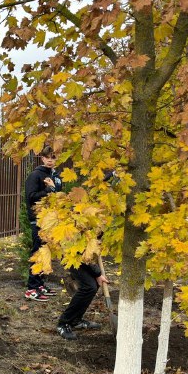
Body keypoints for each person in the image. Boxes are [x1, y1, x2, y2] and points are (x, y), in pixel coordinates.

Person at [24, 145, 62, 301]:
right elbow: (31, 196)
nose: (50, 160)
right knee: (37, 252)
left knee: (45, 252)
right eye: (47, 157)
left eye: (53, 157)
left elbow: (58, 195)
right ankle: (31, 289)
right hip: (38, 219)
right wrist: (48, 190)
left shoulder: (56, 176)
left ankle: (39, 285)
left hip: (51, 219)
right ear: (42, 158)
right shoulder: (36, 175)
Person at [56, 262, 107, 340]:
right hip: (74, 256)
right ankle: (63, 324)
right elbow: (86, 257)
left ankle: (75, 320)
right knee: (88, 287)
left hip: (83, 257)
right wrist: (98, 274)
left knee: (92, 286)